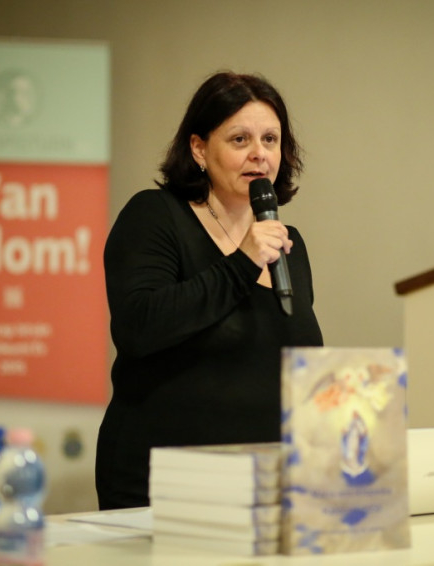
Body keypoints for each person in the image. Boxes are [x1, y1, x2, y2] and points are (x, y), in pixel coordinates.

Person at [95, 71, 324, 509]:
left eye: (270, 140)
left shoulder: (286, 243)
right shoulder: (155, 216)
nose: (259, 154)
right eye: (240, 139)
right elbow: (139, 327)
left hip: (264, 485)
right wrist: (242, 261)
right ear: (199, 149)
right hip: (163, 483)